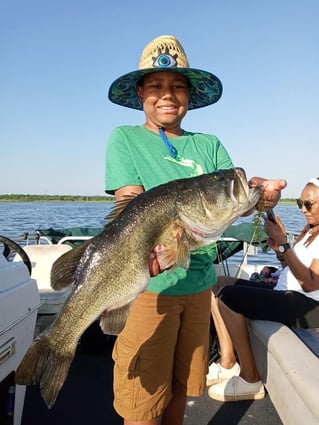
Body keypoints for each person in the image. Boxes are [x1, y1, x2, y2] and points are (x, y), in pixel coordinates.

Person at [104, 34, 286, 425]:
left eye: (177, 86)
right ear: (140, 93)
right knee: (143, 404)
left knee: (181, 391)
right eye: (156, 85)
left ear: (189, 95)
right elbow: (130, 205)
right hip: (150, 292)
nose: (167, 94)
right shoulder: (125, 139)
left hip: (197, 287)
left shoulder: (210, 144)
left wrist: (260, 198)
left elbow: (229, 205)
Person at [207, 177, 319, 402]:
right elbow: (290, 268)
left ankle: (250, 378)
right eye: (300, 203)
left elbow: (310, 283)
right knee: (216, 282)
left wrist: (285, 244)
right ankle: (228, 362)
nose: (303, 209)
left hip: (308, 305)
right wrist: (279, 249)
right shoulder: (310, 231)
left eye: (310, 204)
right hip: (286, 291)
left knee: (229, 297)